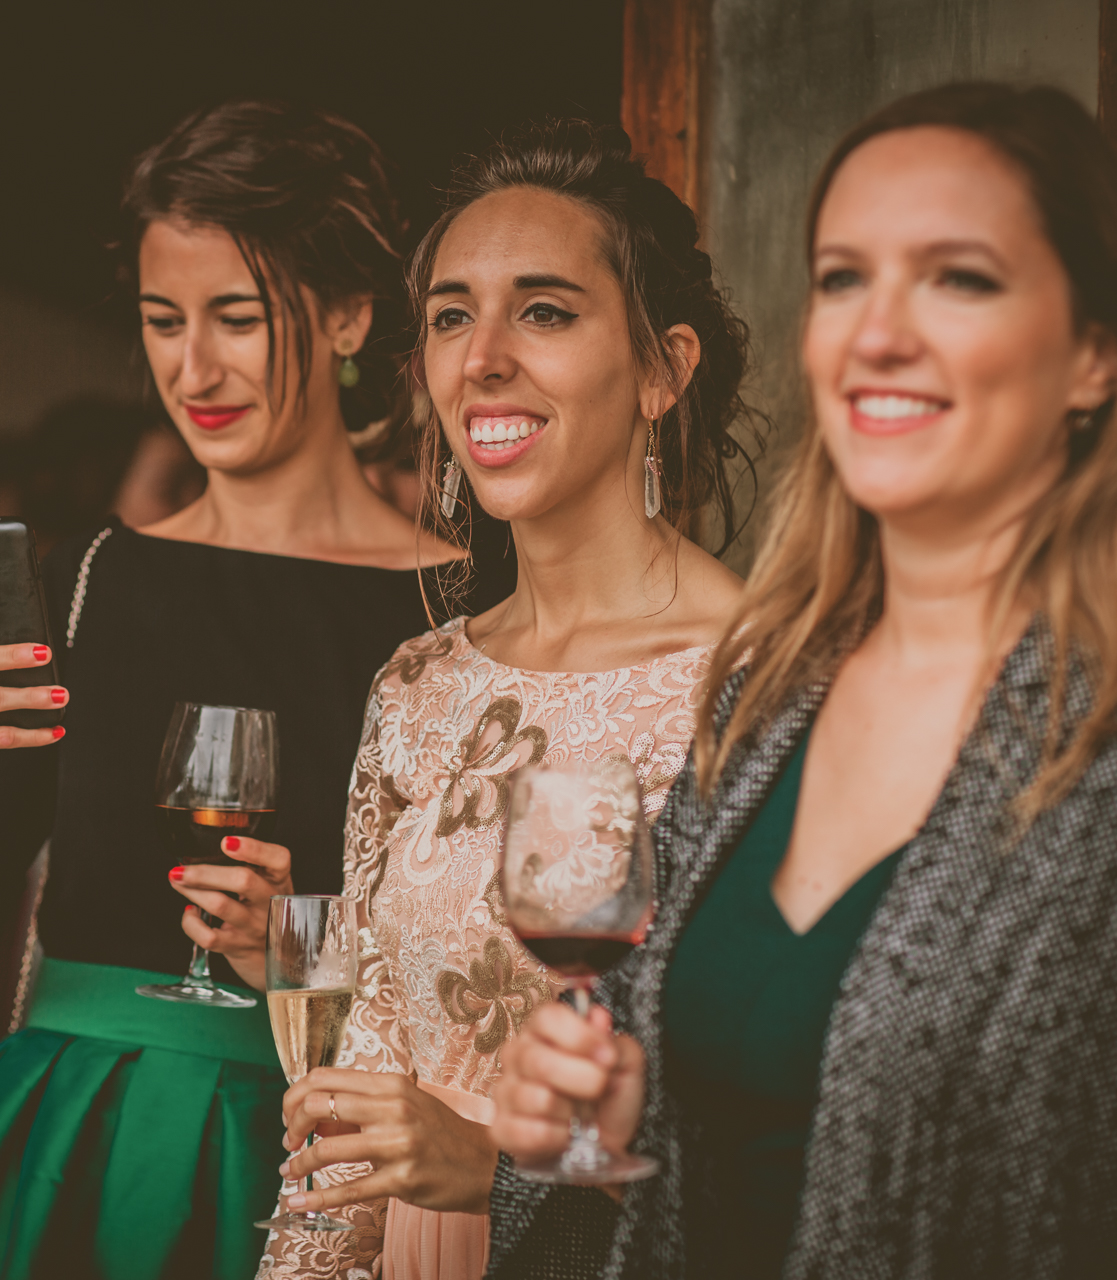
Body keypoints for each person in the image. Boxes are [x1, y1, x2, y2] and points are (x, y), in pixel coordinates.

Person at [487, 82, 1117, 1280]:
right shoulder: (767, 692)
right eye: (845, 278)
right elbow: (628, 1148)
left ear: (1096, 352)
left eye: (959, 278)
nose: (879, 331)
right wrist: (577, 1119)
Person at [0, 101, 472, 1280]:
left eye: (237, 317)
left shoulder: (451, 612)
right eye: (161, 320)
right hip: (62, 1135)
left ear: (348, 313)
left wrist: (298, 943)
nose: (193, 367)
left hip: (304, 1142)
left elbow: (477, 963)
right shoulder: (86, 579)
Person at [251, 119, 754, 1280]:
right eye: (449, 315)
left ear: (664, 368)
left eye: (544, 310)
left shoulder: (764, 679)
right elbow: (367, 1049)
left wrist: (495, 1161)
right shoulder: (421, 683)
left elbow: (787, 1099)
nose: (481, 357)